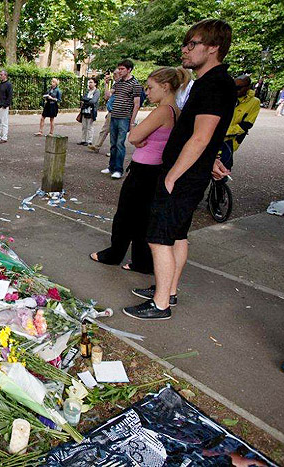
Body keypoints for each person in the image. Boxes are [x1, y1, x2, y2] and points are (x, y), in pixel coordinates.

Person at [123, 19, 236, 320]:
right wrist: (208, 159)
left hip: (182, 175)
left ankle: (160, 305)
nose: (186, 50)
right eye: (186, 44)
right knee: (176, 235)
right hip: (191, 171)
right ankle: (167, 290)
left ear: (213, 48)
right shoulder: (211, 83)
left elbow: (201, 136)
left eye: (193, 44)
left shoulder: (214, 85)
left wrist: (173, 174)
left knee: (159, 236)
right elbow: (203, 134)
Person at [90, 67, 188, 274]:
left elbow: (133, 136)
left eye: (151, 88)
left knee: (125, 216)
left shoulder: (162, 110)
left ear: (165, 87)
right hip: (156, 169)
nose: (147, 92)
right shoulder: (177, 111)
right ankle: (141, 261)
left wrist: (139, 136)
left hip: (144, 170)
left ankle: (115, 254)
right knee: (143, 218)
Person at [102, 59, 142, 180]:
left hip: (124, 117)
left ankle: (119, 169)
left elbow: (137, 104)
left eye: (122, 69)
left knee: (120, 144)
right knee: (113, 143)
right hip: (114, 116)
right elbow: (107, 96)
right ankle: (111, 166)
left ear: (129, 70)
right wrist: (106, 84)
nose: (119, 71)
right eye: (118, 68)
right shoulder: (118, 83)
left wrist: (132, 121)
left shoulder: (135, 84)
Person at [89, 70, 118, 154]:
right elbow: (106, 96)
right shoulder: (114, 84)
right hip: (111, 111)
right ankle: (97, 146)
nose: (114, 76)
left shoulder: (119, 84)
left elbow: (108, 95)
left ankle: (114, 151)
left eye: (115, 74)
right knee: (105, 129)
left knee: (115, 132)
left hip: (117, 111)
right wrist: (106, 84)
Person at [79, 78, 101, 145]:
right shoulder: (87, 91)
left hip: (91, 111)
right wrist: (88, 100)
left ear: (95, 83)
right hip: (84, 110)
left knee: (90, 126)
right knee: (84, 126)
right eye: (89, 82)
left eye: (91, 82)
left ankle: (89, 141)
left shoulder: (97, 91)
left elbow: (93, 101)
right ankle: (83, 140)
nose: (89, 84)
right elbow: (82, 98)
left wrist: (86, 101)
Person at [0, 70, 13, 143]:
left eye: (1, 75)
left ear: (5, 75)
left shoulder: (8, 85)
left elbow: (10, 96)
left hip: (3, 106)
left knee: (4, 123)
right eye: (0, 75)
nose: (0, 76)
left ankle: (4, 137)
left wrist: (5, 105)